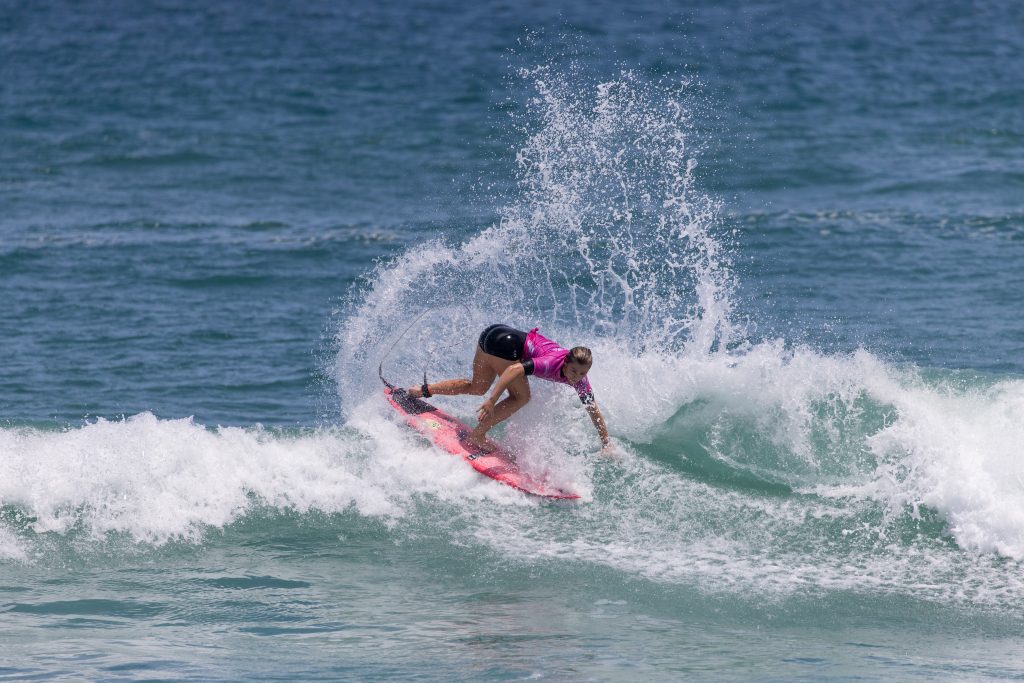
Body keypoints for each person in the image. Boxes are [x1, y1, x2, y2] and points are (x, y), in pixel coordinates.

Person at [408, 324, 611, 454]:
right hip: (505, 345)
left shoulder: (581, 383)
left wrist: (606, 443)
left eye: (582, 374)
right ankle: (477, 435)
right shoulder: (550, 363)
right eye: (573, 371)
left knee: (477, 387)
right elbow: (514, 369)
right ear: (565, 363)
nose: (576, 377)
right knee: (521, 397)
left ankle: (421, 390)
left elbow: (593, 409)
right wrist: (492, 400)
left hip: (491, 334)